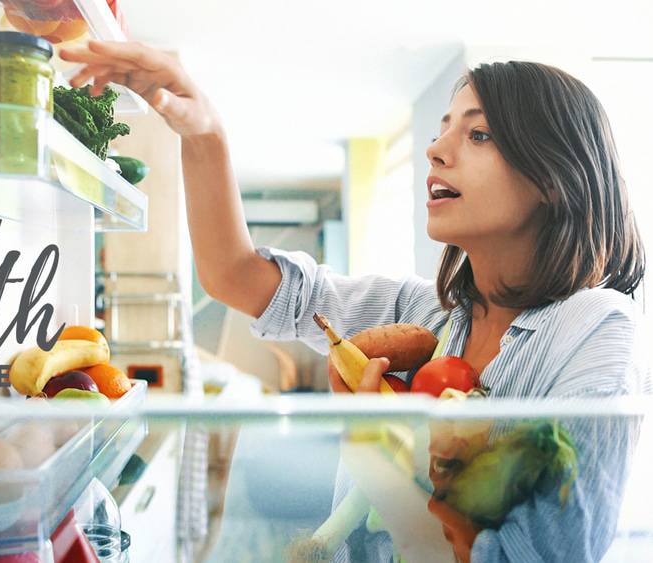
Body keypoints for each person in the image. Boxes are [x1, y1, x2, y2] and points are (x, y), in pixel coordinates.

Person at [60, 41, 649, 562]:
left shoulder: (596, 330)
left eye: (478, 133)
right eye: (444, 127)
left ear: (553, 176)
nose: (436, 149)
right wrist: (203, 129)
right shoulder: (423, 316)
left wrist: (374, 450)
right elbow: (236, 276)